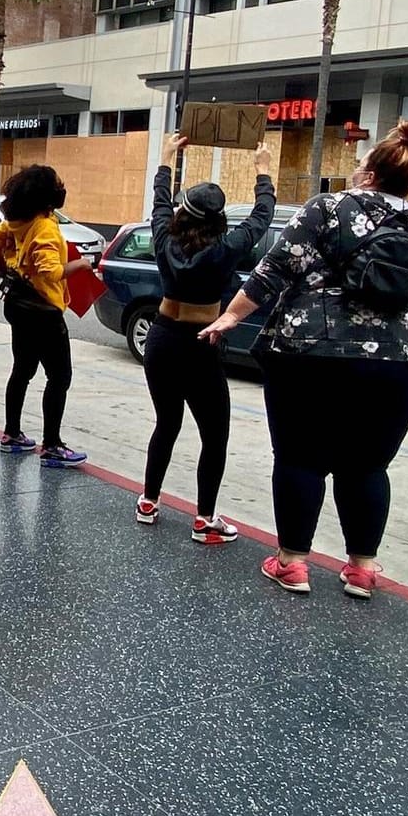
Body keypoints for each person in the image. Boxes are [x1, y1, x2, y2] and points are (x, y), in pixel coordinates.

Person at [199, 122, 408, 599]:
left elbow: (274, 270)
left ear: (370, 174)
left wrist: (229, 319)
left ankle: (293, 564)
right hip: (396, 362)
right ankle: (361, 569)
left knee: (300, 459)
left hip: (309, 354)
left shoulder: (326, 208)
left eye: (360, 165)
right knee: (367, 467)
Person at [136, 136, 276, 543]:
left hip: (161, 338)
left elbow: (160, 203)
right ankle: (205, 520)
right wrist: (262, 169)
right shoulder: (226, 247)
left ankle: (148, 501)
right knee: (214, 435)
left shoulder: (165, 238)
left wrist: (166, 159)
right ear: (217, 220)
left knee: (166, 423)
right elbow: (261, 217)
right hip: (200, 343)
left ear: (183, 214)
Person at [0, 164, 92, 468]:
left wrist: (7, 270)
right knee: (59, 376)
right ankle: (53, 445)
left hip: (17, 304)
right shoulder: (44, 225)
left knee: (22, 369)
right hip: (43, 310)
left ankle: (12, 434)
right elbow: (51, 271)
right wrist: (81, 266)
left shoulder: (17, 221)